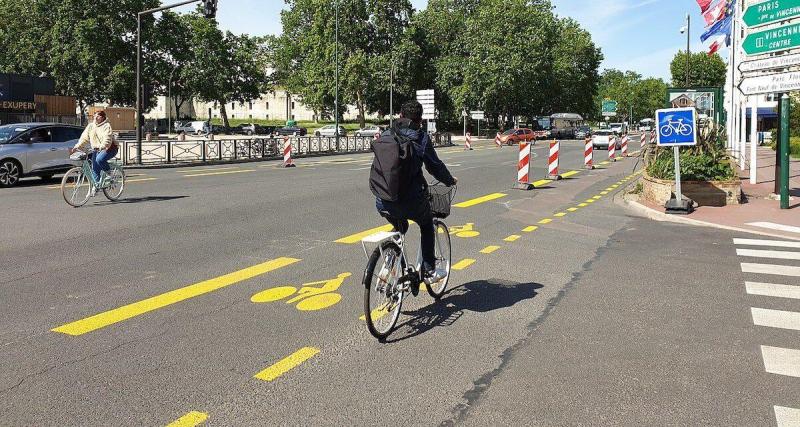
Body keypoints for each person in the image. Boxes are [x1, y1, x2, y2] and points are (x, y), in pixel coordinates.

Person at [372, 101, 458, 297]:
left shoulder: (387, 134)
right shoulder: (421, 137)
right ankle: (429, 269)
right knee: (426, 225)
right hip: (411, 201)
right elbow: (434, 166)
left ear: (401, 114)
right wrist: (449, 180)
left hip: (382, 199)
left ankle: (388, 264)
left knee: (401, 226)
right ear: (420, 119)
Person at [70, 111, 117, 194]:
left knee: (99, 159)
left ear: (102, 118)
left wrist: (101, 146)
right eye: (94, 116)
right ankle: (96, 186)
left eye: (98, 116)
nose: (95, 117)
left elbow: (107, 139)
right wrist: (77, 146)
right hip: (96, 149)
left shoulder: (107, 126)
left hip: (109, 148)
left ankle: (110, 174)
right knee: (95, 168)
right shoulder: (91, 126)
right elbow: (84, 138)